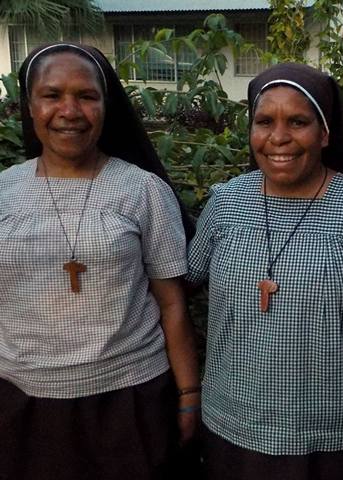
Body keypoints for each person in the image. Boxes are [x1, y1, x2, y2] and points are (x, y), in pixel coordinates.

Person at [186, 62, 343, 479]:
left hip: (329, 438)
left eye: (298, 122)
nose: (278, 138)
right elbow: (179, 286)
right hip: (230, 427)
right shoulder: (227, 202)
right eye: (264, 122)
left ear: (324, 133)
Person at [0, 42, 200, 480]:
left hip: (129, 400)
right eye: (52, 95)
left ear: (106, 106)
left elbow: (171, 303)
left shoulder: (142, 191)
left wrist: (188, 393)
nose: (69, 110)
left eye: (86, 96)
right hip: (22, 399)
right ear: (30, 106)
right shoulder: (4, 191)